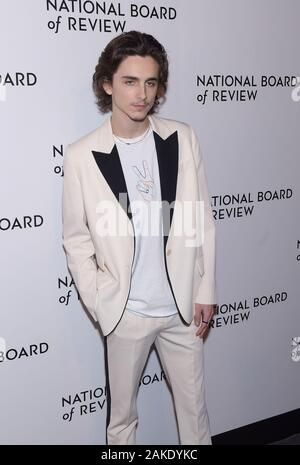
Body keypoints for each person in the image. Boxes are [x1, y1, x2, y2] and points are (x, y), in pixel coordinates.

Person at [62, 30, 217, 445]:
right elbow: (76, 239)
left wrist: (205, 287)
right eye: (130, 81)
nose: (141, 94)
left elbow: (201, 217)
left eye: (150, 82)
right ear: (107, 84)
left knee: (195, 416)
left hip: (182, 309)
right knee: (122, 422)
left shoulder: (181, 137)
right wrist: (100, 300)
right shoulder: (80, 155)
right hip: (125, 312)